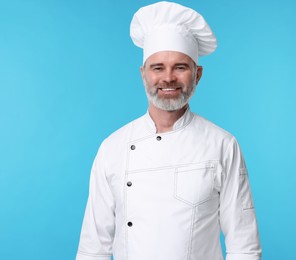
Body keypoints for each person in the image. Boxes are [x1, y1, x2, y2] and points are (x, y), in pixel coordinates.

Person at [76, 2, 261, 260]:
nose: (168, 78)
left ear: (197, 75)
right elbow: (93, 249)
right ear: (143, 74)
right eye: (158, 67)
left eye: (180, 67)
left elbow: (244, 246)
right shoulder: (112, 148)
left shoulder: (222, 145)